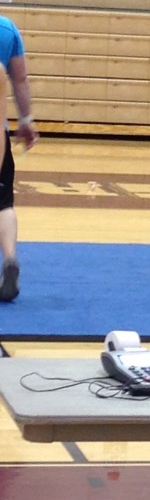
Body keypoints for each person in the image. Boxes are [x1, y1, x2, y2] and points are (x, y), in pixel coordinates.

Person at [0, 15, 40, 302]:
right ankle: (10, 259)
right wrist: (25, 120)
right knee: (3, 203)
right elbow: (20, 79)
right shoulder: (6, 29)